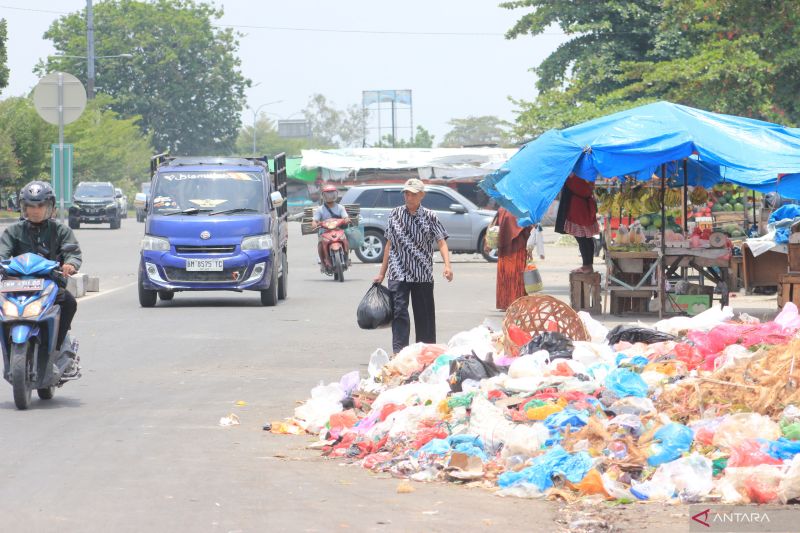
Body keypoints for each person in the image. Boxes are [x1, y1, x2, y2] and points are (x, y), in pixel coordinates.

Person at [373, 178, 453, 354]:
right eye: (406, 193)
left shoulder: (430, 216)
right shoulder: (395, 214)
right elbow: (389, 244)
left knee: (424, 315)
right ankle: (399, 352)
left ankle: (426, 352)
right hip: (398, 272)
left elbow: (441, 242)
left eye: (413, 194)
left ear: (422, 195)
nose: (408, 197)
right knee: (399, 312)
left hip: (422, 273)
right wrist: (381, 273)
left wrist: (447, 266)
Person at [0, 181, 82, 352]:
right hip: (17, 285)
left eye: (40, 205)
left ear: (50, 207)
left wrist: (70, 264)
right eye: (30, 206)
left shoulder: (61, 230)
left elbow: (72, 252)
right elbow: (2, 252)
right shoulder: (13, 231)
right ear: (24, 208)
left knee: (69, 303)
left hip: (50, 283)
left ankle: (57, 348)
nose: (35, 210)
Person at [489, 207, 532, 311]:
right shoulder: (521, 209)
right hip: (518, 247)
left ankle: (504, 303)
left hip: (504, 249)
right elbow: (528, 228)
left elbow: (495, 228)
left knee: (505, 275)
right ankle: (517, 302)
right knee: (517, 275)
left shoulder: (501, 209)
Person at [555, 173, 599, 273]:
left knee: (582, 237)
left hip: (578, 206)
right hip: (584, 205)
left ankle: (587, 265)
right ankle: (588, 265)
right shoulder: (587, 172)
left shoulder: (576, 174)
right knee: (586, 238)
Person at [311, 184, 350, 271]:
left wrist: (346, 219)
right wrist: (314, 223)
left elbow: (345, 217)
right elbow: (315, 220)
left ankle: (346, 258)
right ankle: (323, 264)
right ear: (323, 195)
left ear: (335, 194)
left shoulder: (340, 208)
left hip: (338, 230)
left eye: (332, 194)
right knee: (320, 244)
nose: (330, 196)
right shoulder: (320, 209)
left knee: (346, 239)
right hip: (324, 232)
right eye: (327, 194)